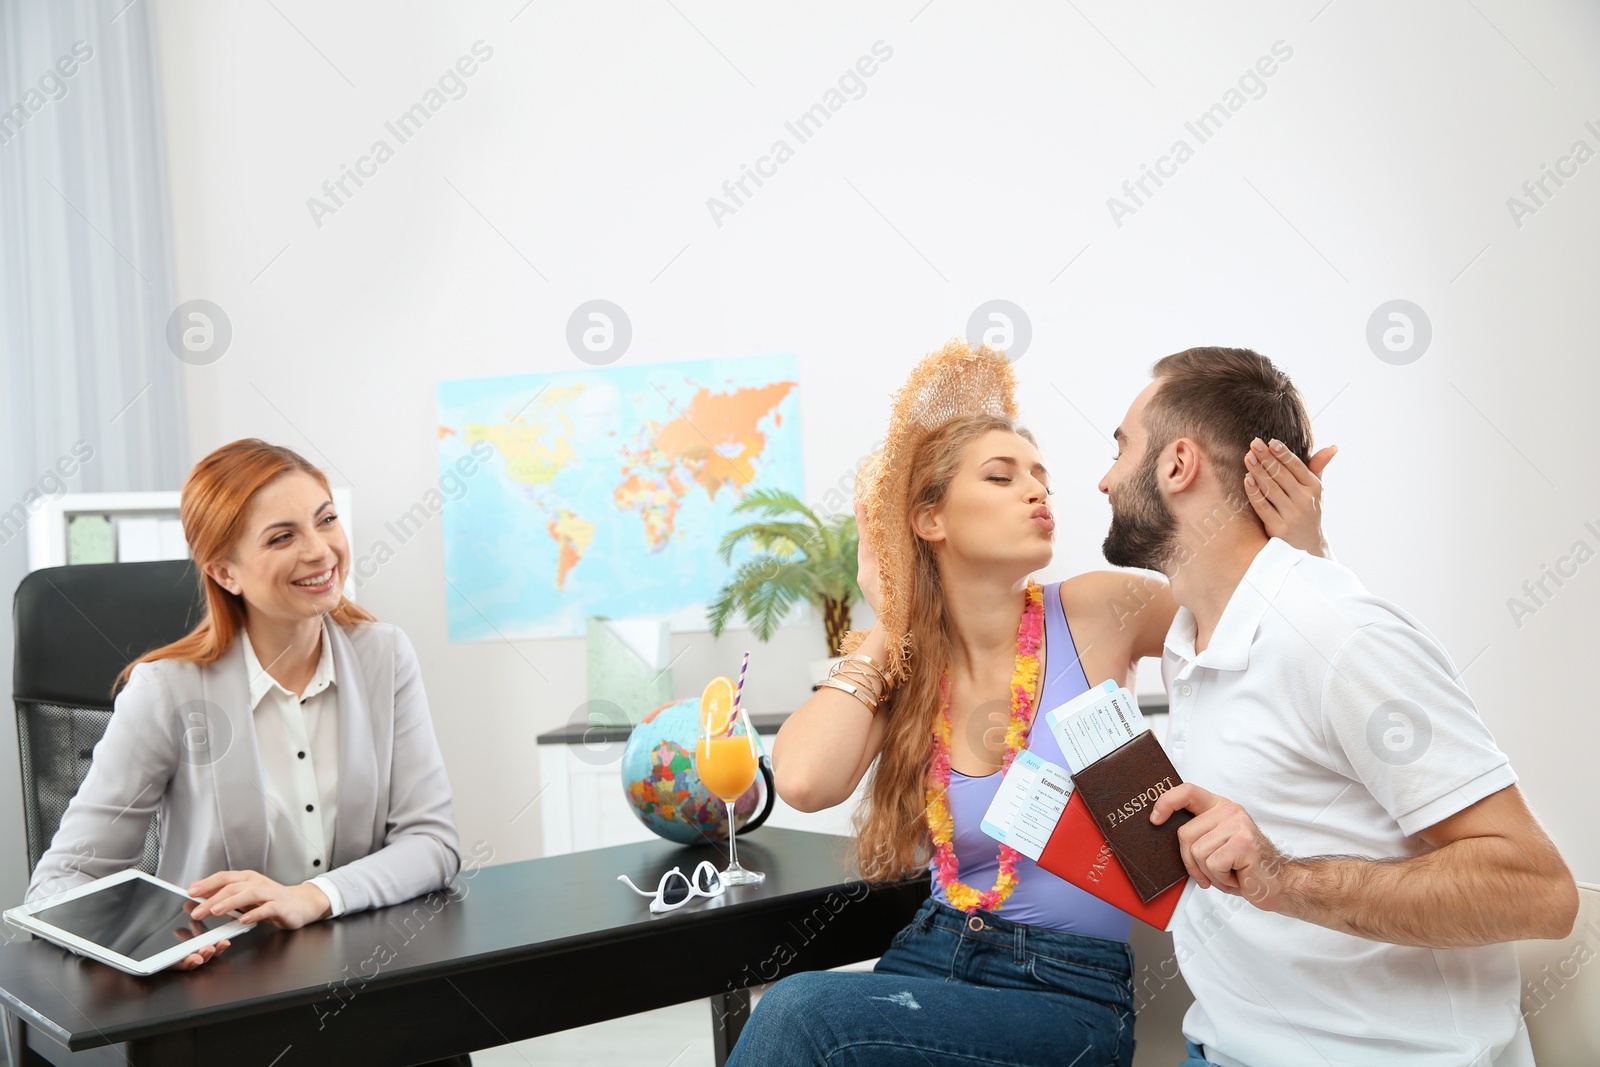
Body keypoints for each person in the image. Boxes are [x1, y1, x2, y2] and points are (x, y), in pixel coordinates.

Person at [726, 340, 1334, 1067]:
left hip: (1066, 995)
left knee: (799, 1011)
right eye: (1001, 475)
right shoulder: (910, 662)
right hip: (928, 958)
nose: (1038, 491)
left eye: (1041, 476)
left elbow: (1256, 618)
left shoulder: (1096, 610)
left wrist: (1302, 541)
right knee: (806, 1021)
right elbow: (801, 779)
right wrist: (890, 620)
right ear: (930, 520)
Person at [1096, 347, 1579, 1066]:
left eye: (1121, 448)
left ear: (1177, 464)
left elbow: (1540, 890)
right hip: (1218, 1046)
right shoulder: (1191, 643)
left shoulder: (1339, 637)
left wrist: (1282, 879)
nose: (1104, 479)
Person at [28, 440, 462, 974]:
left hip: (364, 968)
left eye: (325, 520)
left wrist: (314, 895)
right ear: (224, 573)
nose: (321, 551)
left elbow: (432, 841)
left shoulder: (384, 656)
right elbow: (61, 882)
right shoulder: (167, 690)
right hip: (222, 986)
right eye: (282, 537)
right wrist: (144, 945)